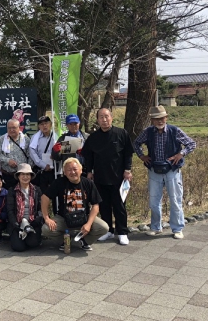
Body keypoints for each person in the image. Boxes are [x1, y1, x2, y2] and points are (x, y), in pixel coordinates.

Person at [134, 105, 196, 240]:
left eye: (162, 118)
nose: (159, 121)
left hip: (172, 170)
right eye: (156, 119)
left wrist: (181, 154)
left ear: (166, 118)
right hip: (154, 169)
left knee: (175, 199)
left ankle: (177, 228)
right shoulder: (148, 132)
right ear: (152, 120)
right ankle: (156, 227)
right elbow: (136, 143)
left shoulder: (175, 131)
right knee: (154, 201)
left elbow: (191, 144)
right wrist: (142, 156)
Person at [81, 108, 134, 245]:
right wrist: (89, 172)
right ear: (97, 120)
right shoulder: (93, 137)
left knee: (119, 205)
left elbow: (128, 154)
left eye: (106, 116)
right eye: (101, 117)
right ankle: (108, 231)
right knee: (103, 205)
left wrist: (128, 170)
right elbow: (88, 156)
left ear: (111, 117)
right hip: (100, 177)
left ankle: (122, 232)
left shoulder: (121, 133)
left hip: (118, 177)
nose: (104, 120)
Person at [41, 158, 109, 251]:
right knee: (46, 229)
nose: (72, 172)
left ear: (81, 170)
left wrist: (88, 224)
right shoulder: (59, 182)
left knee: (104, 227)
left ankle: (84, 241)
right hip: (64, 218)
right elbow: (44, 198)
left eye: (75, 169)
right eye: (69, 170)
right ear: (64, 173)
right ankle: (65, 241)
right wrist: (47, 218)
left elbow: (95, 205)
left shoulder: (88, 183)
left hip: (84, 218)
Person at [6, 164, 44, 252]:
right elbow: (10, 210)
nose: (25, 177)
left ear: (31, 176)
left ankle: (30, 238)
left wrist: (36, 221)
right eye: (22, 174)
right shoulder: (12, 190)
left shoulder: (36, 190)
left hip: (32, 223)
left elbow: (41, 208)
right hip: (18, 223)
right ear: (18, 176)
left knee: (33, 243)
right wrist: (15, 224)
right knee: (18, 247)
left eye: (27, 174)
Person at [0, 119, 31, 190]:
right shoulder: (1, 139)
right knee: (9, 195)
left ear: (19, 128)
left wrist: (27, 171)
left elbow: (30, 156)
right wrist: (8, 161)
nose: (11, 130)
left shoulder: (26, 139)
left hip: (22, 176)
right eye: (9, 128)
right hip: (7, 175)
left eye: (14, 128)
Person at [29, 115, 57, 194]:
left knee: (55, 193)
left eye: (46, 123)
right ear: (39, 126)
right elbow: (33, 153)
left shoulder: (56, 137)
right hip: (42, 170)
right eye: (41, 124)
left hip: (55, 170)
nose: (44, 126)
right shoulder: (35, 138)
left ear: (50, 124)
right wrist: (43, 165)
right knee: (42, 194)